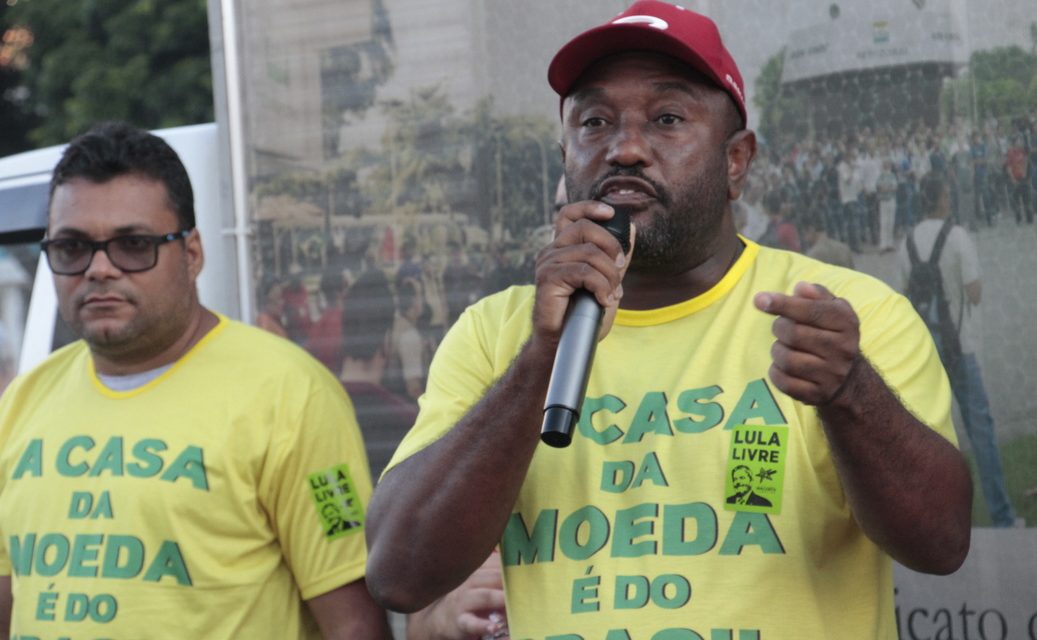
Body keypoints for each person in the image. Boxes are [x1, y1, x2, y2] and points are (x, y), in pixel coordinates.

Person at [365, 3, 972, 638]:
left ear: (736, 160)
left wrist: (849, 393)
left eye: (667, 118)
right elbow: (400, 575)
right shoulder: (495, 334)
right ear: (565, 152)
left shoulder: (841, 314)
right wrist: (540, 359)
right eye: (594, 121)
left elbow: (939, 544)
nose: (625, 148)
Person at [0, 122, 391, 639]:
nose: (98, 269)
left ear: (192, 254)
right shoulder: (23, 400)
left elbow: (354, 627)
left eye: (133, 244)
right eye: (72, 248)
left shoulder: (289, 395)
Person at [897, 173, 1018, 528]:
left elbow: (903, 298)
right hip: (960, 345)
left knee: (930, 435)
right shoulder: (958, 236)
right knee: (980, 429)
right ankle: (1001, 516)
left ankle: (936, 520)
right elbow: (975, 291)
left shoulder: (907, 243)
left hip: (926, 352)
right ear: (943, 198)